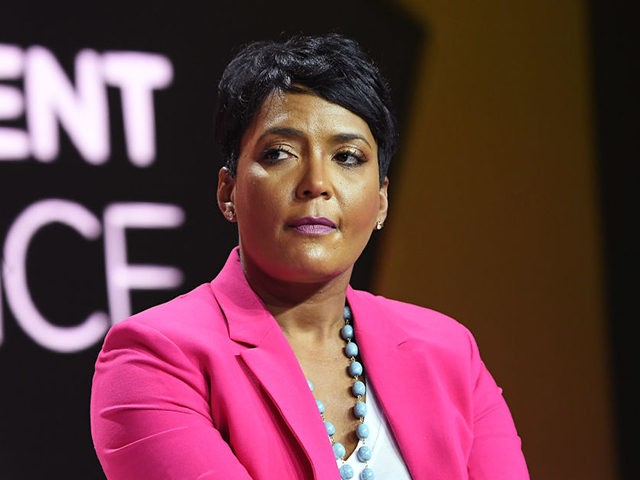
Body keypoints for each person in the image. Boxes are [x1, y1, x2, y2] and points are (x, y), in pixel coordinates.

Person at [90, 33, 530, 480]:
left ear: (381, 201)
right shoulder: (154, 358)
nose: (316, 182)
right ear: (228, 192)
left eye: (348, 157)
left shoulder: (449, 352)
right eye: (279, 153)